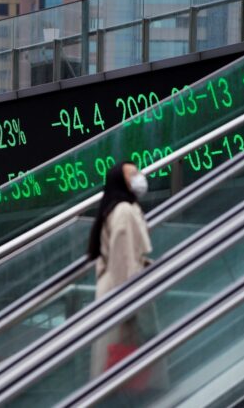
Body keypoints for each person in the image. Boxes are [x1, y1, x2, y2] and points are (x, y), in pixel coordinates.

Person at [88, 162, 157, 380]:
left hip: (111, 291)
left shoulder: (114, 209)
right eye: (132, 175)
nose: (139, 178)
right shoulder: (124, 211)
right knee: (128, 374)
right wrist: (132, 309)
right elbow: (125, 263)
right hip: (124, 297)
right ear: (121, 182)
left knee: (115, 371)